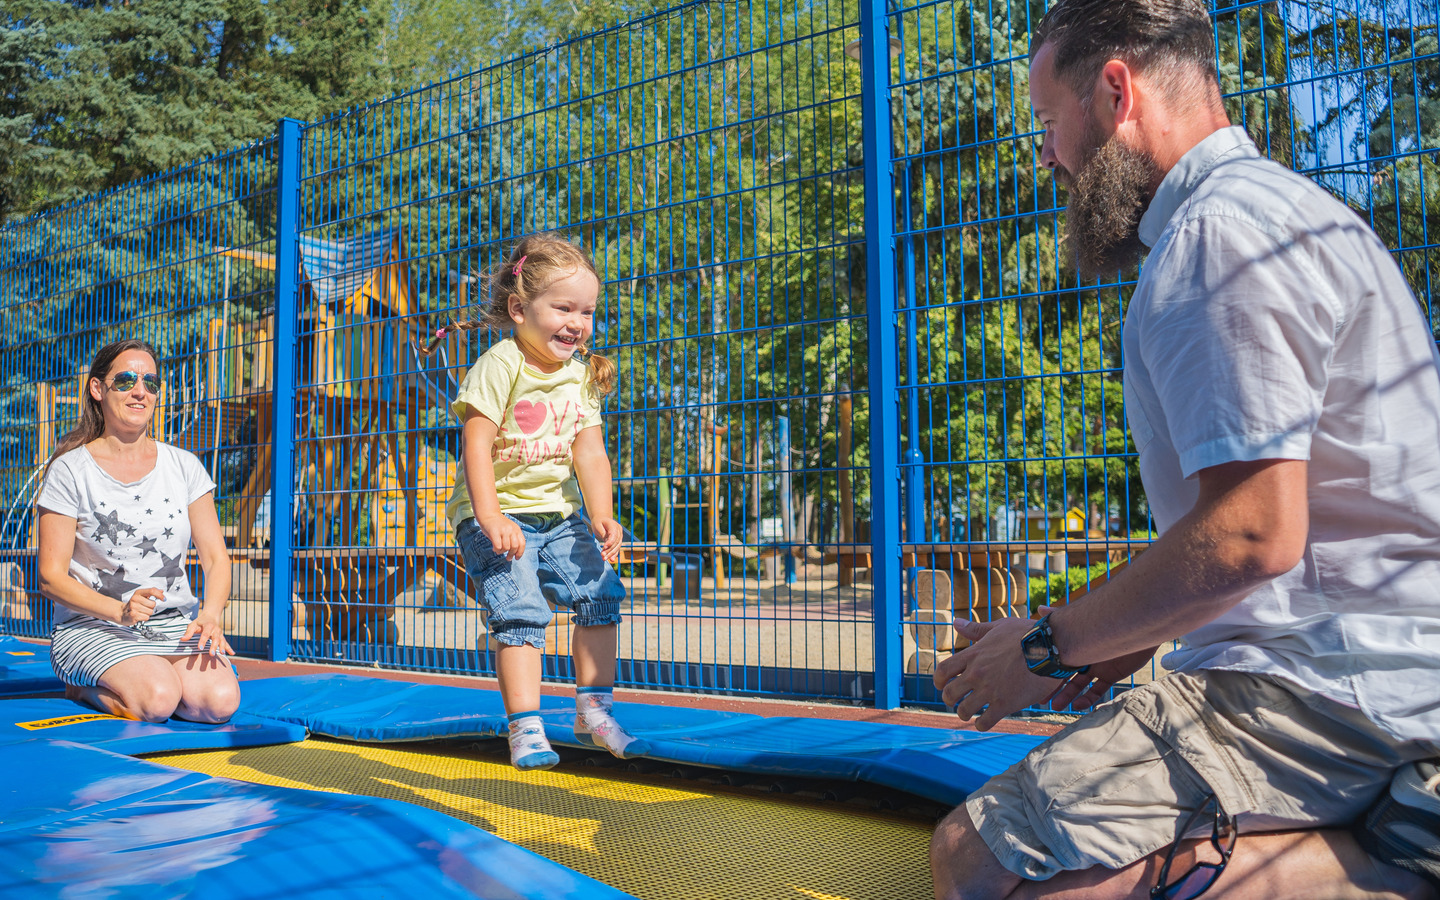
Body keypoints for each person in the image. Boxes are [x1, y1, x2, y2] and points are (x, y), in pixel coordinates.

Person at [929, 1, 1440, 898]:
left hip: (1327, 690)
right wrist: (1115, 646)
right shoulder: (1291, 210)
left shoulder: (1214, 237)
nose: (1048, 155)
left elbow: (1253, 536)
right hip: (1381, 665)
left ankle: (1400, 862)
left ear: (1115, 91)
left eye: (1050, 122)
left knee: (984, 863)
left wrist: (1048, 648)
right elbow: (1300, 534)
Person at [429, 233, 649, 771]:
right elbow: (475, 444)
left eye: (587, 311)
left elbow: (590, 453)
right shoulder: (501, 364)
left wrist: (602, 512)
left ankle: (593, 709)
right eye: (563, 308)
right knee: (522, 612)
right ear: (519, 308)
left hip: (560, 515)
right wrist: (490, 516)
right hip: (496, 516)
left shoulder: (581, 376)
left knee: (600, 594)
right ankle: (525, 726)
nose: (576, 322)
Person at [36, 339, 239, 724]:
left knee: (218, 703)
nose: (140, 391)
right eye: (126, 379)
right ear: (98, 389)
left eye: (151, 382)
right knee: (157, 701)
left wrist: (210, 614)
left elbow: (215, 557)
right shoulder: (69, 471)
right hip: (93, 624)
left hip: (171, 624)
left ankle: (150, 675)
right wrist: (120, 610)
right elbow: (49, 577)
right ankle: (84, 686)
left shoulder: (184, 466)